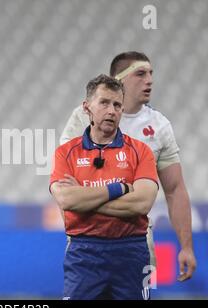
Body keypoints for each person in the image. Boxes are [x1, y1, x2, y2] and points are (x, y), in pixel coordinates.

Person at [60, 52, 196, 281]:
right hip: (87, 243)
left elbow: (174, 190)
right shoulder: (83, 117)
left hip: (138, 242)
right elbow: (66, 190)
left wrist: (186, 247)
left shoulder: (159, 126)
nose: (150, 80)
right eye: (141, 74)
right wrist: (124, 197)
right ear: (119, 80)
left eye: (151, 74)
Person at [50, 74, 159, 300]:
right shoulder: (65, 153)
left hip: (132, 251)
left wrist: (84, 200)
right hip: (83, 253)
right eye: (104, 103)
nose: (112, 110)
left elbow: (142, 203)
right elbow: (66, 200)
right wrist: (119, 188)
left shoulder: (141, 151)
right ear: (87, 107)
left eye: (117, 105)